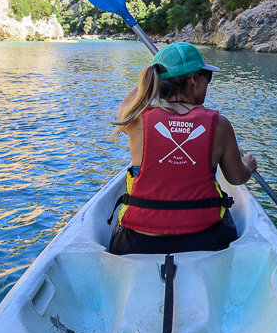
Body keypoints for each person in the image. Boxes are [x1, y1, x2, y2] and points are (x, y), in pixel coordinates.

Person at [108, 42, 257, 255]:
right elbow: (236, 178)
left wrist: (154, 77)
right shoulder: (219, 125)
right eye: (208, 77)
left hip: (137, 241)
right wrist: (248, 166)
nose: (208, 83)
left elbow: (126, 105)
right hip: (205, 239)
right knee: (224, 208)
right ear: (195, 81)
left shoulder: (136, 119)